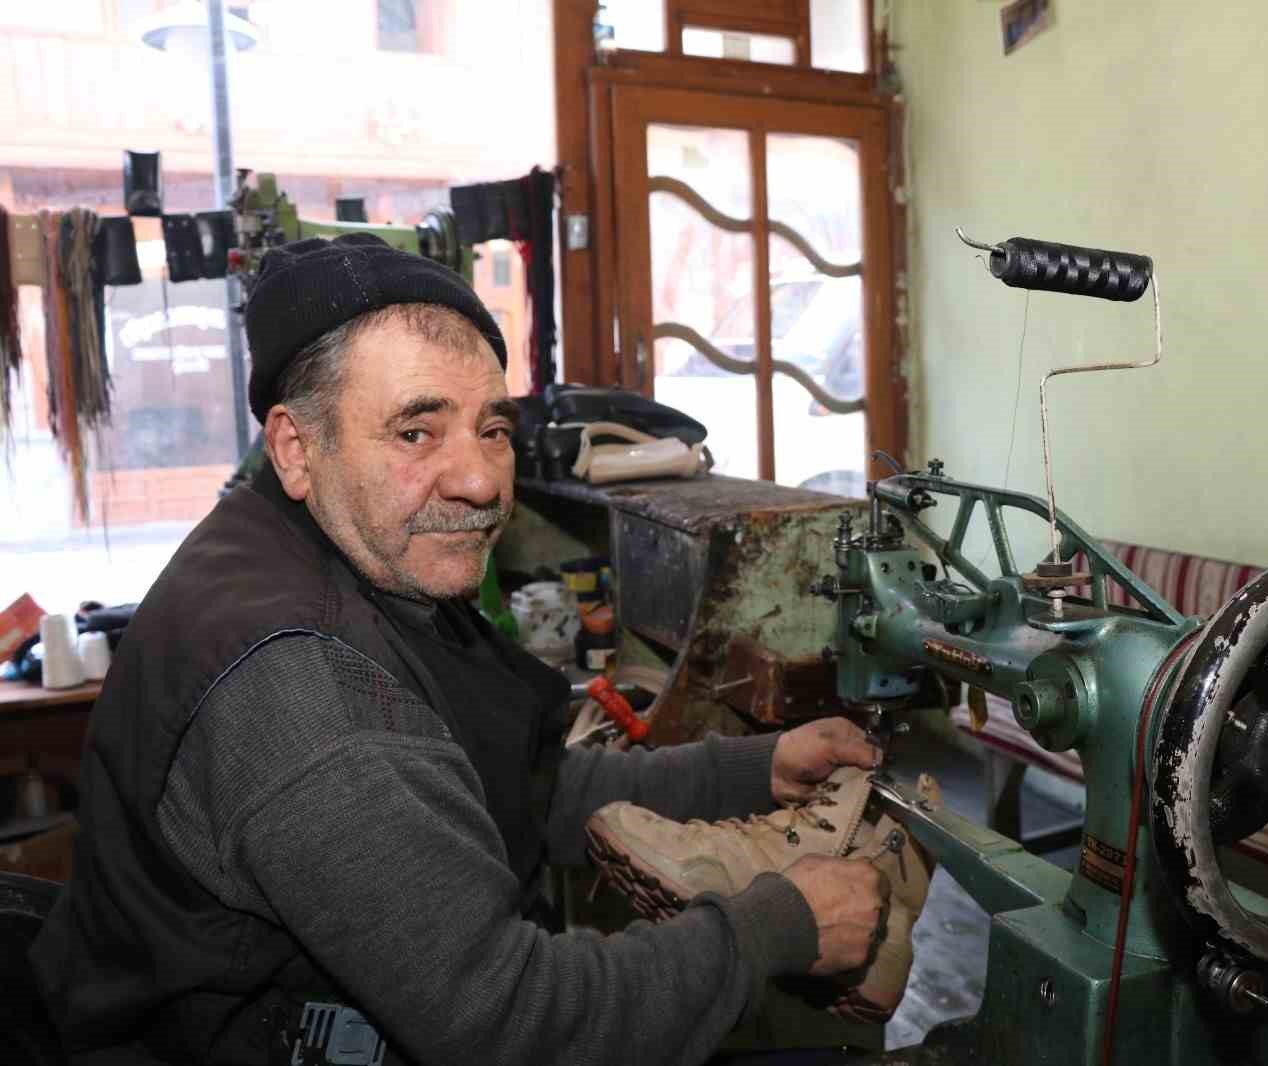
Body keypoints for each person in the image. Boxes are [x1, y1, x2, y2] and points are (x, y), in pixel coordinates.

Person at [30, 234, 889, 1065]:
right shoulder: (307, 691)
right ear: (299, 447)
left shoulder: (316, 549)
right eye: (416, 432)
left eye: (493, 429)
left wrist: (751, 768)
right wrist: (774, 926)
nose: (481, 481)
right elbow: (515, 1024)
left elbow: (507, 783)